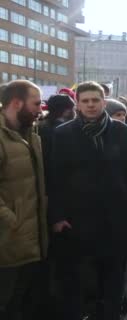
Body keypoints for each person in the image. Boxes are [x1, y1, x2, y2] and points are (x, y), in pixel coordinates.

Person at [48, 81, 127, 320]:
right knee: (81, 284)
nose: (90, 105)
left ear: (103, 102)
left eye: (95, 100)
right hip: (79, 221)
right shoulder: (63, 133)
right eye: (85, 101)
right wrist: (57, 216)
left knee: (114, 282)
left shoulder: (122, 132)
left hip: (116, 219)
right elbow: (56, 177)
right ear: (77, 104)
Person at [0, 80, 47, 320]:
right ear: (17, 103)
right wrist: (13, 220)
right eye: (36, 103)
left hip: (32, 241)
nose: (41, 109)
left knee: (22, 305)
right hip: (8, 244)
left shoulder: (31, 134)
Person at [38, 94, 75, 190]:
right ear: (66, 111)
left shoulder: (40, 125)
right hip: (61, 183)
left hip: (44, 181)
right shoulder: (65, 129)